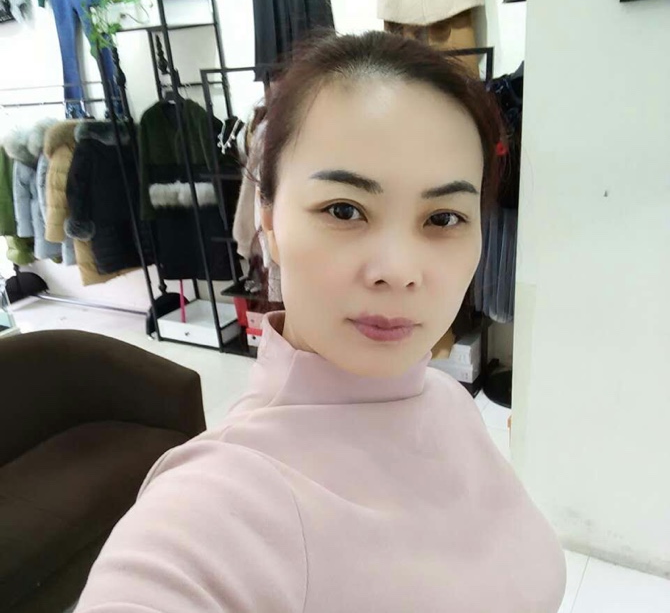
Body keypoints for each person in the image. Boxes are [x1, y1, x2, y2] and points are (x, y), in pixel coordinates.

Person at [73, 31, 567, 612]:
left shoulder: (447, 401)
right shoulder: (216, 506)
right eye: (344, 209)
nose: (398, 271)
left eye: (443, 218)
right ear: (269, 221)